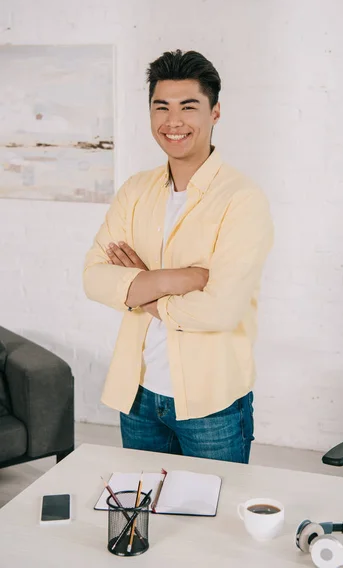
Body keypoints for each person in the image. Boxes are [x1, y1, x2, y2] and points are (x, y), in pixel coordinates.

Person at [83, 49, 273, 464]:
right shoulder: (136, 189)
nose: (173, 121)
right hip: (138, 393)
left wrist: (139, 287)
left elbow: (222, 311)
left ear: (215, 112)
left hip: (211, 402)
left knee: (214, 520)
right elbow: (93, 278)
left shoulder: (241, 199)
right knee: (142, 519)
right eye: (161, 107)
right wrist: (181, 278)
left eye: (189, 106)